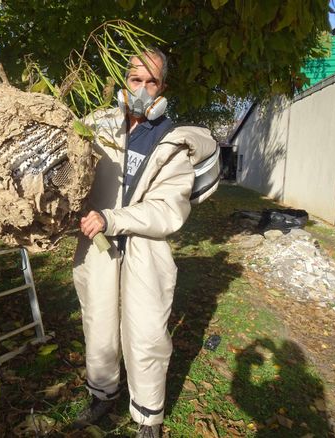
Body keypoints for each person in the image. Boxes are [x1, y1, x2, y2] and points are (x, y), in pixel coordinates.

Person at [72, 48, 216, 437]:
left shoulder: (172, 141)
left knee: (147, 332)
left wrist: (113, 218)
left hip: (144, 247)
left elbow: (167, 210)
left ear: (162, 87)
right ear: (124, 83)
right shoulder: (96, 127)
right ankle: (102, 395)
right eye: (136, 80)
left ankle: (147, 417)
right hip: (97, 244)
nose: (143, 89)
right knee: (98, 324)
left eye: (151, 82)